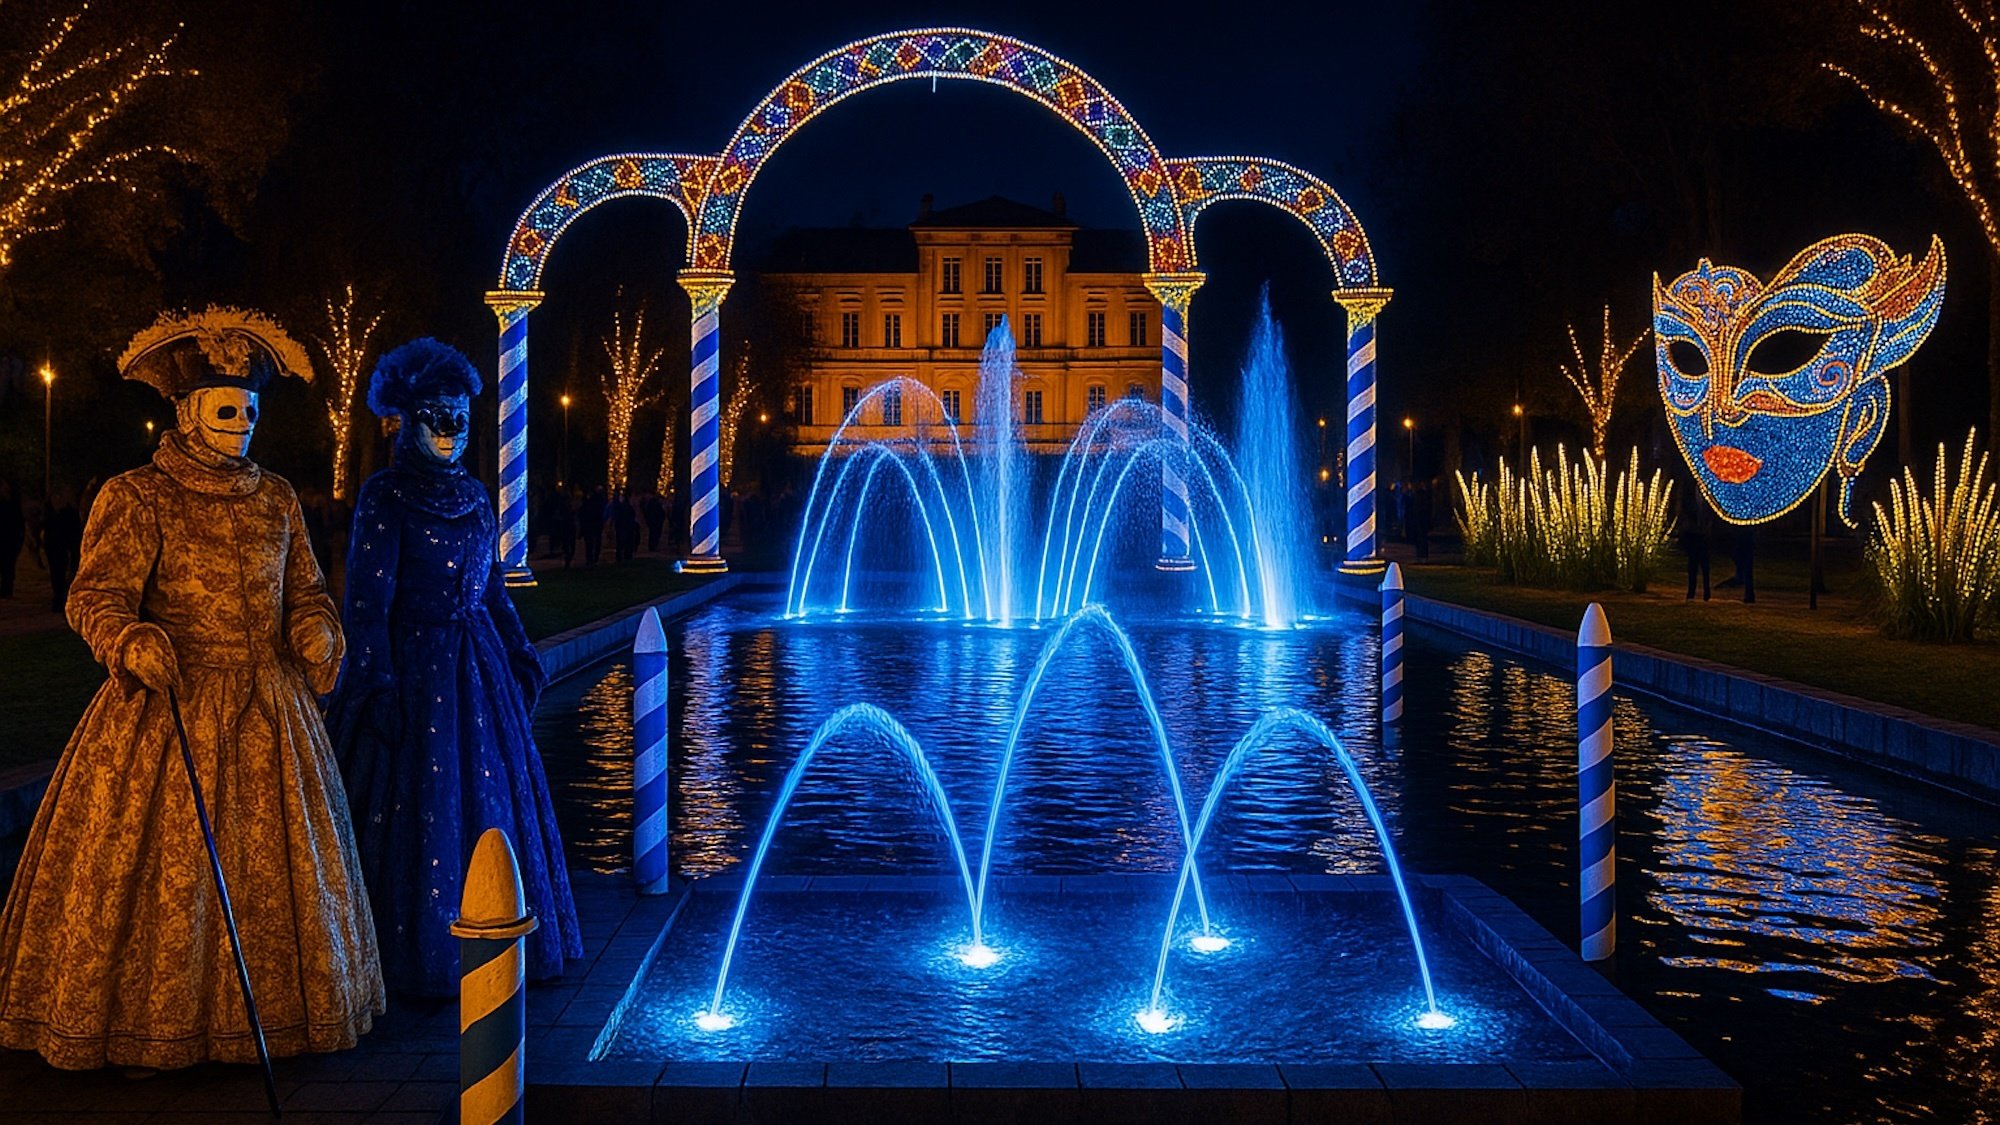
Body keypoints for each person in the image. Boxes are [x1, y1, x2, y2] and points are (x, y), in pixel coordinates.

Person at [0, 307, 382, 1070]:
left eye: (250, 411)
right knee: (166, 869)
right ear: (186, 410)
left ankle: (280, 1017)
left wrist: (316, 629)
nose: (242, 425)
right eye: (225, 410)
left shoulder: (276, 497)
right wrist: (128, 638)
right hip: (169, 706)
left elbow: (305, 589)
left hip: (270, 711)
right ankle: (151, 1025)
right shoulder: (138, 495)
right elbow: (95, 593)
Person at [324, 339, 581, 995]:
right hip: (414, 672)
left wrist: (519, 650)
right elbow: (367, 603)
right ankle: (420, 957)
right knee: (414, 807)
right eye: (435, 416)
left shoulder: (474, 495)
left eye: (459, 418)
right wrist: (378, 682)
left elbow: (490, 589)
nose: (449, 430)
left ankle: (500, 934)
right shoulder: (384, 497)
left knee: (492, 795)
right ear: (409, 421)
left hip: (478, 669)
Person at [42, 486, 82, 614]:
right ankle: (58, 597)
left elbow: (74, 533)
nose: (57, 499)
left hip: (64, 547)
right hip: (53, 546)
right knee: (56, 573)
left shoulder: (69, 513)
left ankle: (61, 598)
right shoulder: (49, 511)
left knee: (63, 572)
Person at [1680, 496, 1712, 601]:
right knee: (1693, 565)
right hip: (1693, 534)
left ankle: (1706, 592)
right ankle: (1691, 592)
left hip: (1703, 534)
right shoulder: (1689, 497)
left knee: (1705, 566)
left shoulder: (1708, 499)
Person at [0, 479, 21, 598]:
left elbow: (18, 522)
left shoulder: (13, 504)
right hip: (6, 538)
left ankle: (7, 590)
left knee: (8, 567)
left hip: (10, 540)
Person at [579, 486, 606, 566]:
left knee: (590, 542)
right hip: (595, 524)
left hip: (590, 524)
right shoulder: (598, 502)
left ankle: (590, 558)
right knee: (595, 541)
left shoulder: (588, 503)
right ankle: (593, 558)